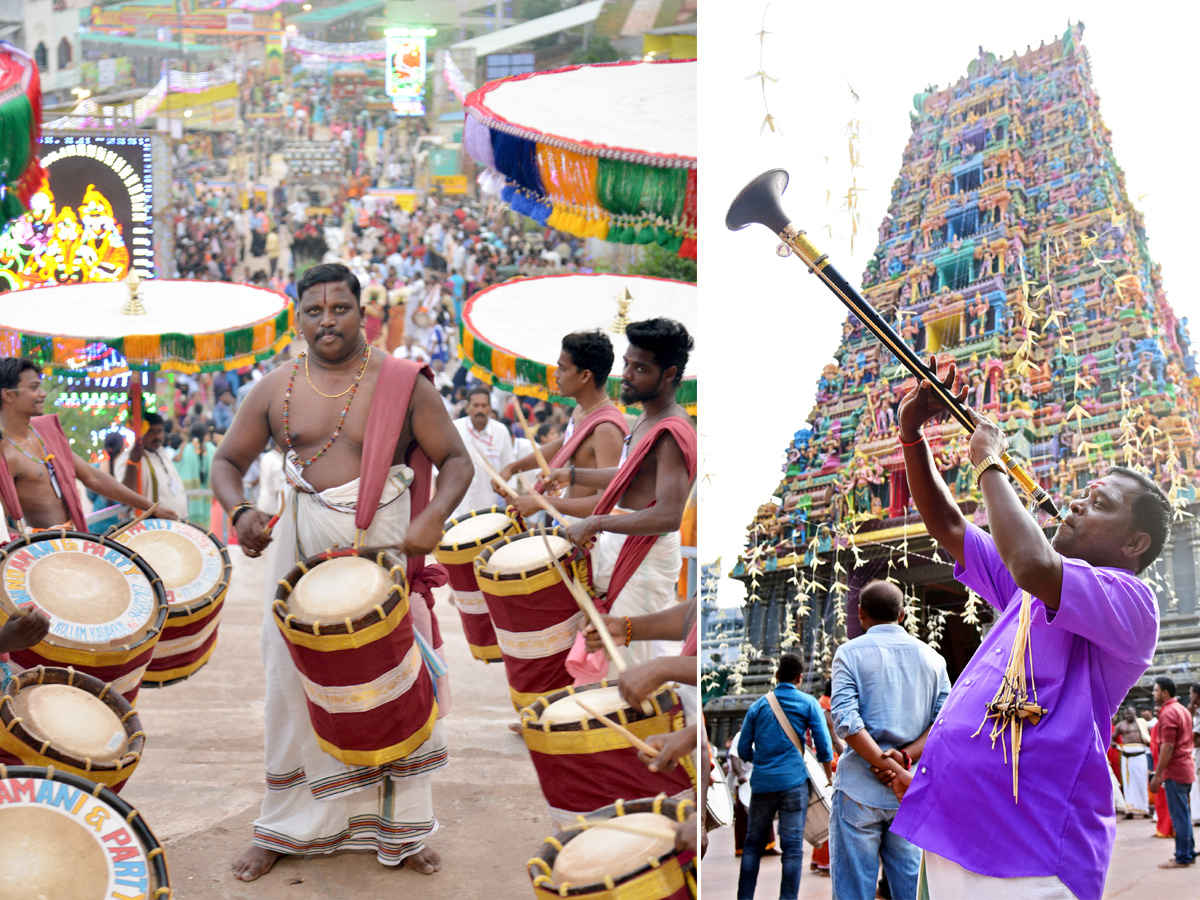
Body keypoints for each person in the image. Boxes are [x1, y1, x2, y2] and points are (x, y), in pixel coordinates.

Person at [212, 262, 472, 882]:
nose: (326, 321)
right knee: (293, 689)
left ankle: (401, 831)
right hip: (298, 560)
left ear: (363, 313)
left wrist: (433, 516)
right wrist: (242, 508)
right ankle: (286, 827)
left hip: (381, 557)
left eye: (339, 309)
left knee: (389, 688)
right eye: (313, 311)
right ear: (298, 318)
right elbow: (228, 459)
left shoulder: (403, 384)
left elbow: (456, 460)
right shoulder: (276, 386)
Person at [886, 358, 1169, 899]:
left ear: (1135, 545)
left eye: (1101, 504)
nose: (1079, 501)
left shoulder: (1131, 603)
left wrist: (990, 463)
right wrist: (911, 436)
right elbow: (948, 525)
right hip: (953, 834)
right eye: (1085, 492)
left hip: (1031, 855)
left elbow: (1033, 563)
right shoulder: (1026, 591)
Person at [544, 319, 697, 672]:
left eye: (640, 368)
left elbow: (668, 515)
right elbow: (631, 477)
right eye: (627, 363)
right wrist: (571, 473)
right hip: (622, 542)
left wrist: (597, 521)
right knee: (608, 653)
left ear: (670, 374)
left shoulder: (671, 430)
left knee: (627, 665)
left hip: (645, 553)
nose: (626, 374)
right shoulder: (645, 417)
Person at [829, 580, 950, 900]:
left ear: (861, 614)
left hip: (857, 788)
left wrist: (881, 761)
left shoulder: (848, 653)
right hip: (909, 789)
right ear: (903, 615)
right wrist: (902, 761)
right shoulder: (933, 659)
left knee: (853, 890)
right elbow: (943, 723)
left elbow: (844, 719)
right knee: (910, 889)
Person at [0, 357, 171, 534]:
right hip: (39, 553)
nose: (43, 393)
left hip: (74, 541)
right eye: (34, 387)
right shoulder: (5, 453)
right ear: (8, 395)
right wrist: (33, 542)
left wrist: (151, 507)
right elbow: (2, 526)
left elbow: (93, 477)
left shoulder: (45, 433)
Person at [735, 652, 834, 900]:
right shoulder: (808, 703)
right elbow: (823, 746)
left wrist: (762, 762)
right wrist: (827, 777)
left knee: (752, 846)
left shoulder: (757, 706)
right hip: (794, 784)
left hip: (762, 785)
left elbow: (743, 749)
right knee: (792, 850)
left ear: (777, 676)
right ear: (799, 678)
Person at [500, 330, 627, 520]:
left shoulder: (606, 429)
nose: (556, 374)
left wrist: (541, 502)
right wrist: (514, 467)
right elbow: (565, 446)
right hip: (571, 522)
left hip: (590, 535)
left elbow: (605, 503)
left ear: (585, 376)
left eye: (563, 368)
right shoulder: (579, 410)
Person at [1150, 676, 1195, 868]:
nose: (1153, 693)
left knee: (1179, 815)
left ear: (1165, 693)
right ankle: (1188, 852)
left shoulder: (1168, 712)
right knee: (1184, 813)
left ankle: (1183, 856)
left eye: (1155, 690)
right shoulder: (1182, 709)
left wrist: (1157, 774)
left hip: (1175, 770)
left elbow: (1167, 746)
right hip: (1186, 768)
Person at [450, 385, 514, 519]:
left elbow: (509, 468)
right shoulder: (455, 429)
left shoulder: (501, 431)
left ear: (490, 408)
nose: (480, 410)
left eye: (484, 405)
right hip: (457, 508)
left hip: (489, 509)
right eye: (476, 405)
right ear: (467, 407)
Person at [115, 412, 189, 520]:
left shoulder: (161, 452)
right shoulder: (129, 458)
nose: (157, 436)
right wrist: (132, 462)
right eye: (151, 432)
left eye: (159, 431)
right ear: (141, 432)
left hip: (175, 525)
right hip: (153, 527)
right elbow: (126, 496)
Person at [1112, 704, 1151, 817]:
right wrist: (1113, 744)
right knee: (1128, 785)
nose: (1128, 715)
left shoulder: (1141, 724)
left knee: (1142, 782)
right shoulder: (1121, 725)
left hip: (1140, 756)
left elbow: (1148, 737)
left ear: (1135, 713)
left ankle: (1144, 809)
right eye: (1126, 713)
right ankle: (1130, 810)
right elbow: (1112, 738)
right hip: (1127, 757)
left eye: (1130, 712)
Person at [177, 423, 216, 528]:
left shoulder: (209, 448)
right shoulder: (190, 448)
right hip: (193, 493)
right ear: (203, 435)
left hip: (203, 492)